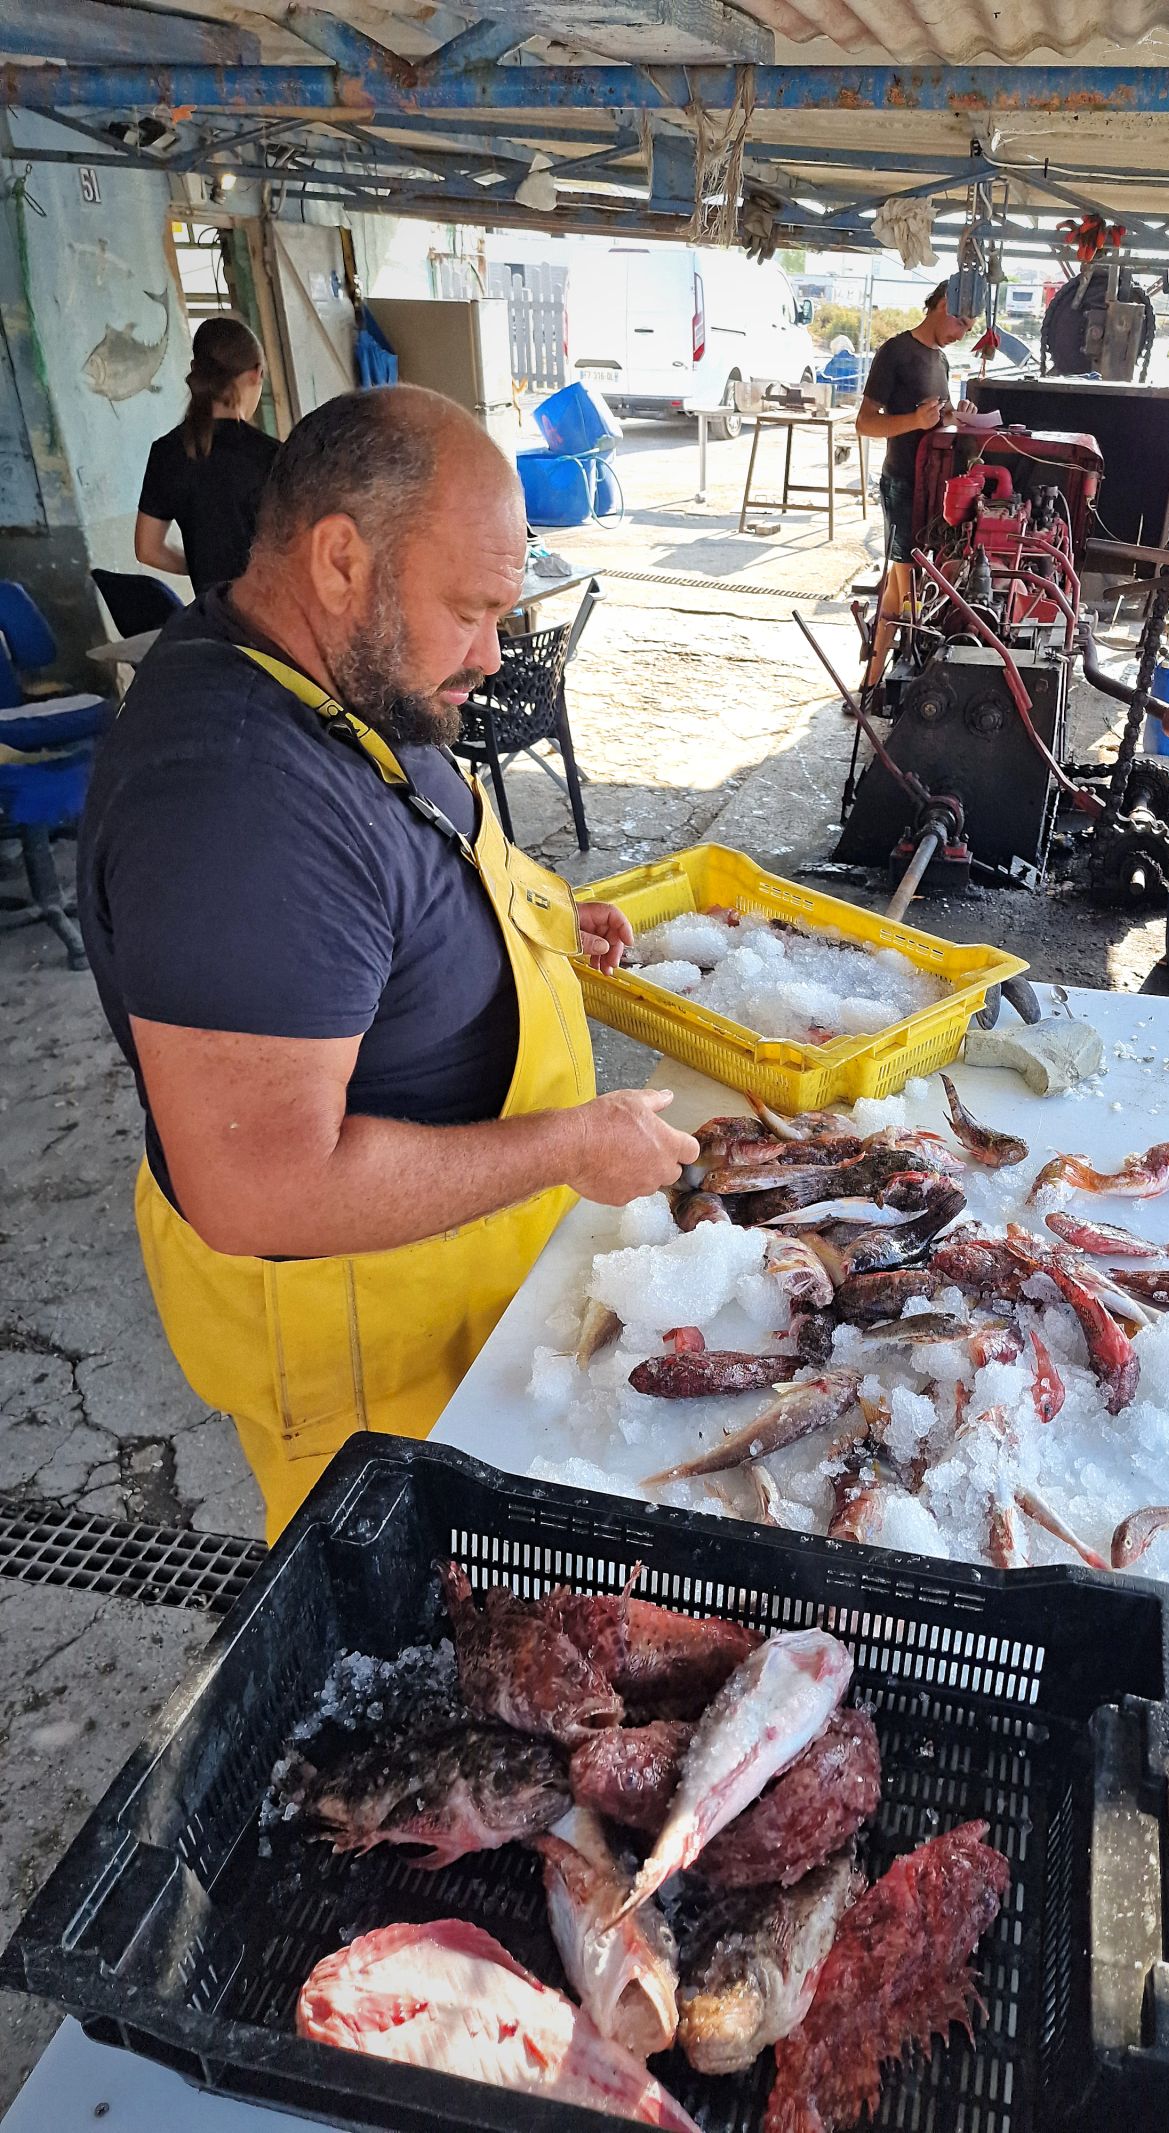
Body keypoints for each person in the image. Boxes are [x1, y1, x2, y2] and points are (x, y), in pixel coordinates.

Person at [80, 384, 698, 1539]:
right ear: (337, 560)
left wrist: (539, 918)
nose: (490, 653)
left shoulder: (323, 673)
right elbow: (261, 1185)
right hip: (376, 1372)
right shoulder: (235, 806)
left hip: (467, 1301)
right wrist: (571, 1143)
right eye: (467, 609)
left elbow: (404, 856)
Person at [854, 281, 974, 685]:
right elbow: (865, 422)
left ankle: (871, 682)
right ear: (942, 305)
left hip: (931, 487)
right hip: (902, 483)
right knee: (909, 594)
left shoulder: (939, 360)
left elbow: (934, 420)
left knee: (900, 586)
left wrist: (955, 417)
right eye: (961, 322)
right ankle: (908, 679)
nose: (962, 335)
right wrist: (913, 422)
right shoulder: (895, 352)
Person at [135, 315, 278, 597]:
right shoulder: (274, 456)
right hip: (272, 618)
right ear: (256, 373)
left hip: (212, 621)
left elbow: (147, 550)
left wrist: (203, 566)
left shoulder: (166, 453)